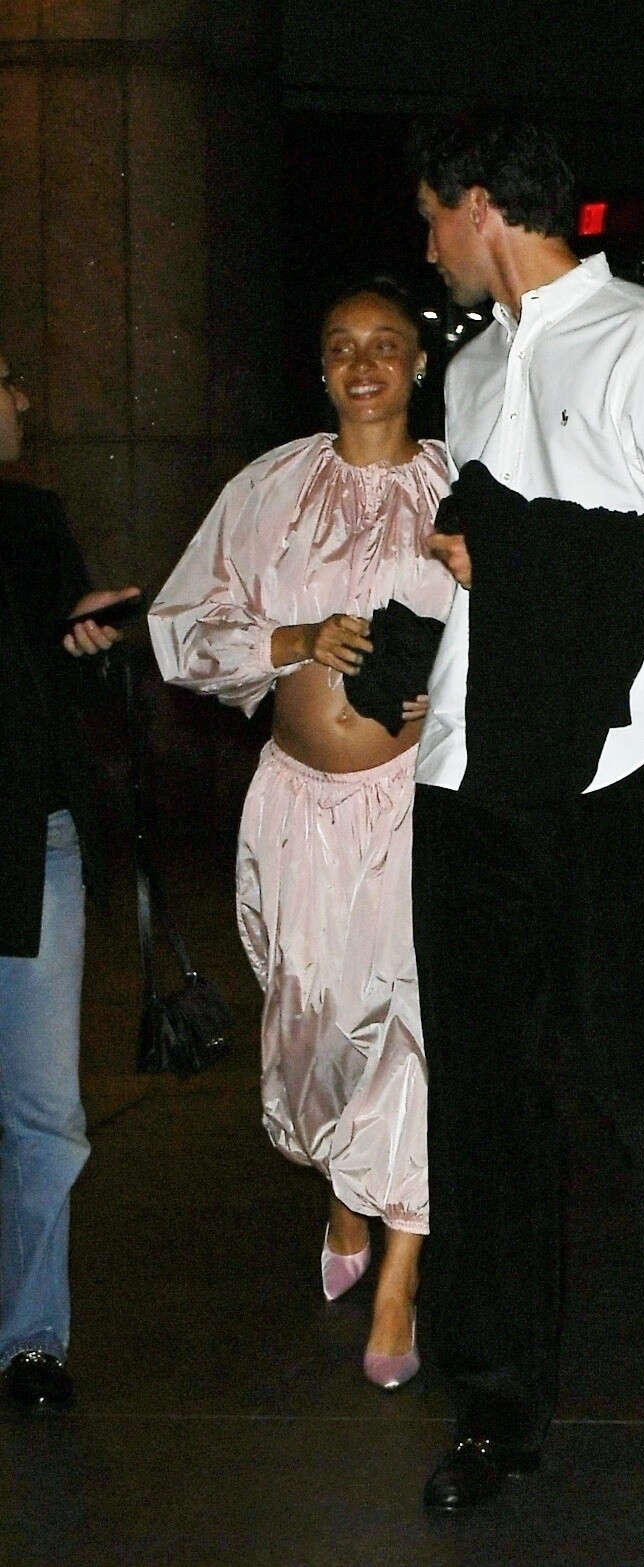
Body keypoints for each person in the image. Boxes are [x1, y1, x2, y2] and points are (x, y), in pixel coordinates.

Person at [407, 113, 644, 1512]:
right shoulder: (468, 365)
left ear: (481, 206)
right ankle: (492, 1402)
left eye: (431, 215)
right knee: (480, 1090)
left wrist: (521, 544)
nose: (427, 242)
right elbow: (482, 563)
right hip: (472, 761)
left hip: (613, 762)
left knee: (632, 1060)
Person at [149, 282, 452, 1390]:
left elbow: (525, 636)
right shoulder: (269, 488)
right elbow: (183, 628)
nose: (364, 365)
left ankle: (399, 1278)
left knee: (413, 1025)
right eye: (342, 348)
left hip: (414, 802)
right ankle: (345, 1189)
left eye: (385, 346)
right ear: (321, 368)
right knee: (313, 1027)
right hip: (293, 808)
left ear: (419, 363)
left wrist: (447, 692)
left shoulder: (462, 488)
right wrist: (296, 636)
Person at [0, 346, 140, 1411]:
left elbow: (63, 676)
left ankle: (33, 1338)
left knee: (45, 1109)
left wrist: (90, 645)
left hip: (33, 836)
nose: (21, 399)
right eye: (4, 381)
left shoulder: (34, 518)